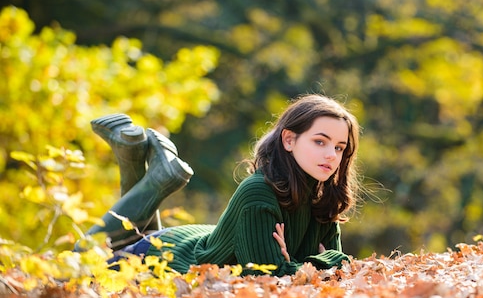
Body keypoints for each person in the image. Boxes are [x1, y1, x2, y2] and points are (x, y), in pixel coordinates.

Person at [78, 94, 361, 276]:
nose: (330, 155)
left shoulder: (323, 199)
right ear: (289, 140)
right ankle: (154, 177)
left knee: (134, 234)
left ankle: (131, 157)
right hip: (169, 257)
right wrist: (318, 263)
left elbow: (337, 267)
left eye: (339, 147)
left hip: (195, 241)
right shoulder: (259, 193)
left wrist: (316, 263)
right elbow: (268, 276)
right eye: (320, 141)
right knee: (77, 261)